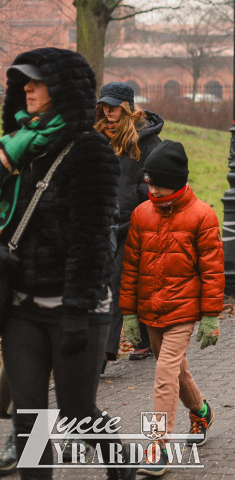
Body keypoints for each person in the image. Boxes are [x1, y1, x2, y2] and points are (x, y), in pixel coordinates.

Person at [0, 47, 135, 480]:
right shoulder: (15, 149)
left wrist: (77, 310)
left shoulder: (90, 150)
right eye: (23, 81)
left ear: (61, 89)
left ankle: (123, 468)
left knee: (77, 413)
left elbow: (95, 238)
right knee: (29, 421)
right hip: (22, 305)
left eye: (36, 81)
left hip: (77, 308)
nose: (27, 88)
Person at [120, 140, 224, 475]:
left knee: (164, 372)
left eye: (159, 183)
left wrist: (210, 317)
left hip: (183, 311)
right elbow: (131, 268)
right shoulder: (141, 214)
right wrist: (129, 313)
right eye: (150, 183)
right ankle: (200, 411)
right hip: (151, 310)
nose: (153, 189)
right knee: (176, 370)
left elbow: (212, 270)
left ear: (177, 182)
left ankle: (157, 445)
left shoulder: (202, 216)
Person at [94, 81, 164, 364]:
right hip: (100, 223)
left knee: (117, 280)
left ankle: (102, 352)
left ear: (126, 108)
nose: (108, 112)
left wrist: (137, 196)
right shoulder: (96, 139)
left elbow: (157, 185)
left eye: (113, 106)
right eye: (104, 106)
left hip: (135, 222)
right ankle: (143, 339)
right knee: (114, 282)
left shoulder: (148, 142)